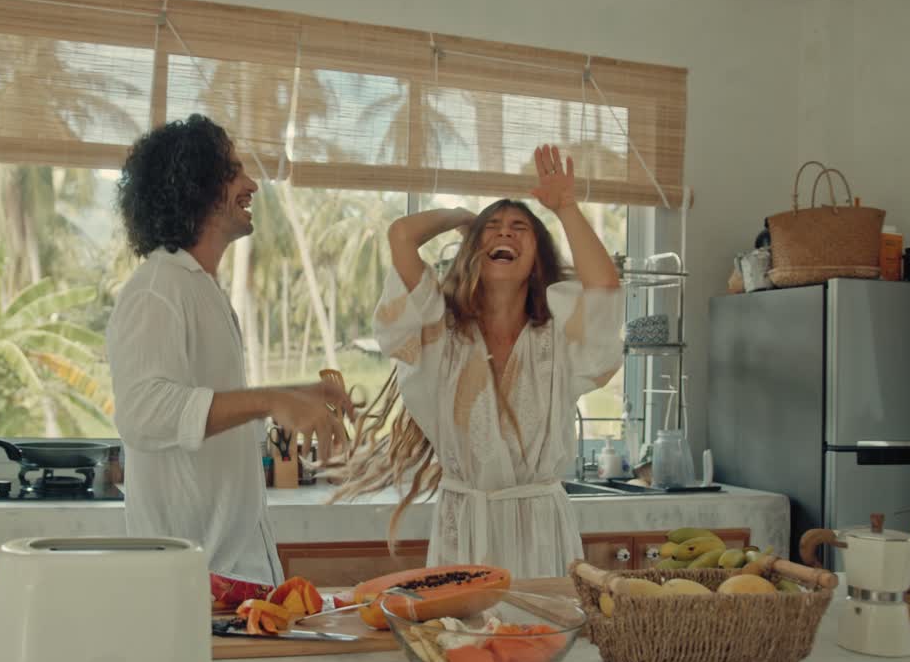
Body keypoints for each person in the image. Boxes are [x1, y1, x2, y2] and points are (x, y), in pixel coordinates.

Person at [326, 145, 624, 578]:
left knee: (541, 642)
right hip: (464, 527)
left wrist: (565, 207)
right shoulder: (439, 332)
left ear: (537, 259)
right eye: (494, 228)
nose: (506, 233)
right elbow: (402, 236)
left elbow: (603, 289)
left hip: (539, 530)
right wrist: (464, 218)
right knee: (462, 643)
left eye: (520, 227)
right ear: (473, 250)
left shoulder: (558, 339)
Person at [106, 114, 353, 585]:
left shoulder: (201, 289)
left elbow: (203, 401)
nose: (252, 183)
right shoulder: (158, 289)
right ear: (197, 185)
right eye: (234, 170)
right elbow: (143, 412)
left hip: (229, 573)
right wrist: (270, 401)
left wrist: (294, 392)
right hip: (192, 578)